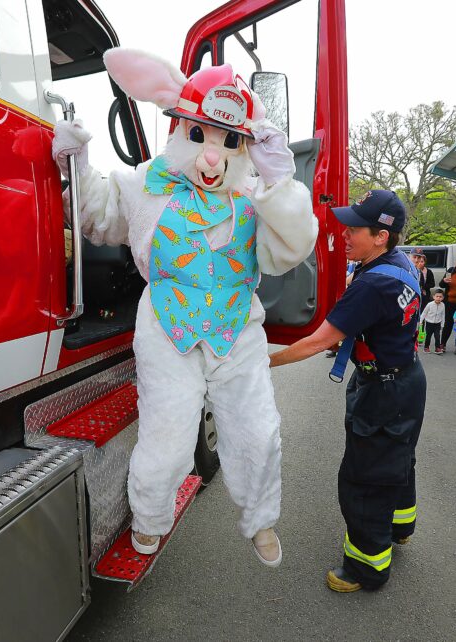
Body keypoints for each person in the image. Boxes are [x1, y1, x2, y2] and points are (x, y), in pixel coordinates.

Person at [54, 49, 320, 565]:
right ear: (178, 130)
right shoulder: (144, 185)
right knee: (168, 434)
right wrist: (77, 163)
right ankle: (150, 518)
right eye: (199, 137)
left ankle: (260, 517)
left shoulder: (254, 196)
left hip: (236, 331)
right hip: (167, 329)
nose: (212, 158)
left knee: (257, 431)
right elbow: (96, 218)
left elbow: (293, 248)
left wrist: (281, 187)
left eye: (230, 142)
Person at [269, 189, 426, 592]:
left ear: (381, 235)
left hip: (382, 391)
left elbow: (318, 341)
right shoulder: (401, 263)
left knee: (365, 477)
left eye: (355, 228)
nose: (345, 234)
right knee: (399, 457)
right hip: (407, 380)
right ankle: (400, 526)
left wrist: (261, 362)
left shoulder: (371, 284)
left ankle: (366, 567)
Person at [421, 289, 446, 354]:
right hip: (429, 323)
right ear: (433, 296)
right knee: (428, 336)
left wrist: (442, 325)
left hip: (437, 323)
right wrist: (421, 321)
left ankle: (437, 348)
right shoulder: (430, 304)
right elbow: (424, 313)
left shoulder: (443, 305)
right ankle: (426, 347)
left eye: (440, 297)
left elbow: (443, 315)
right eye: (437, 296)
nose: (438, 298)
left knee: (437, 336)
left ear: (443, 298)